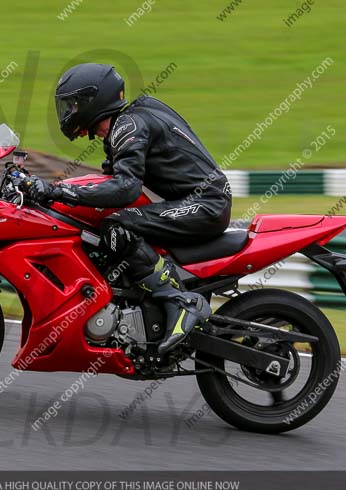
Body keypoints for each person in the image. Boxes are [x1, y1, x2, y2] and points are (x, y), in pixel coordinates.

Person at [29, 63, 232, 354]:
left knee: (118, 225)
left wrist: (58, 190)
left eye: (73, 104)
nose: (69, 112)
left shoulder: (129, 125)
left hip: (205, 204)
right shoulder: (131, 121)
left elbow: (125, 188)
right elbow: (105, 184)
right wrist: (53, 191)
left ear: (92, 100)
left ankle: (179, 301)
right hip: (198, 201)